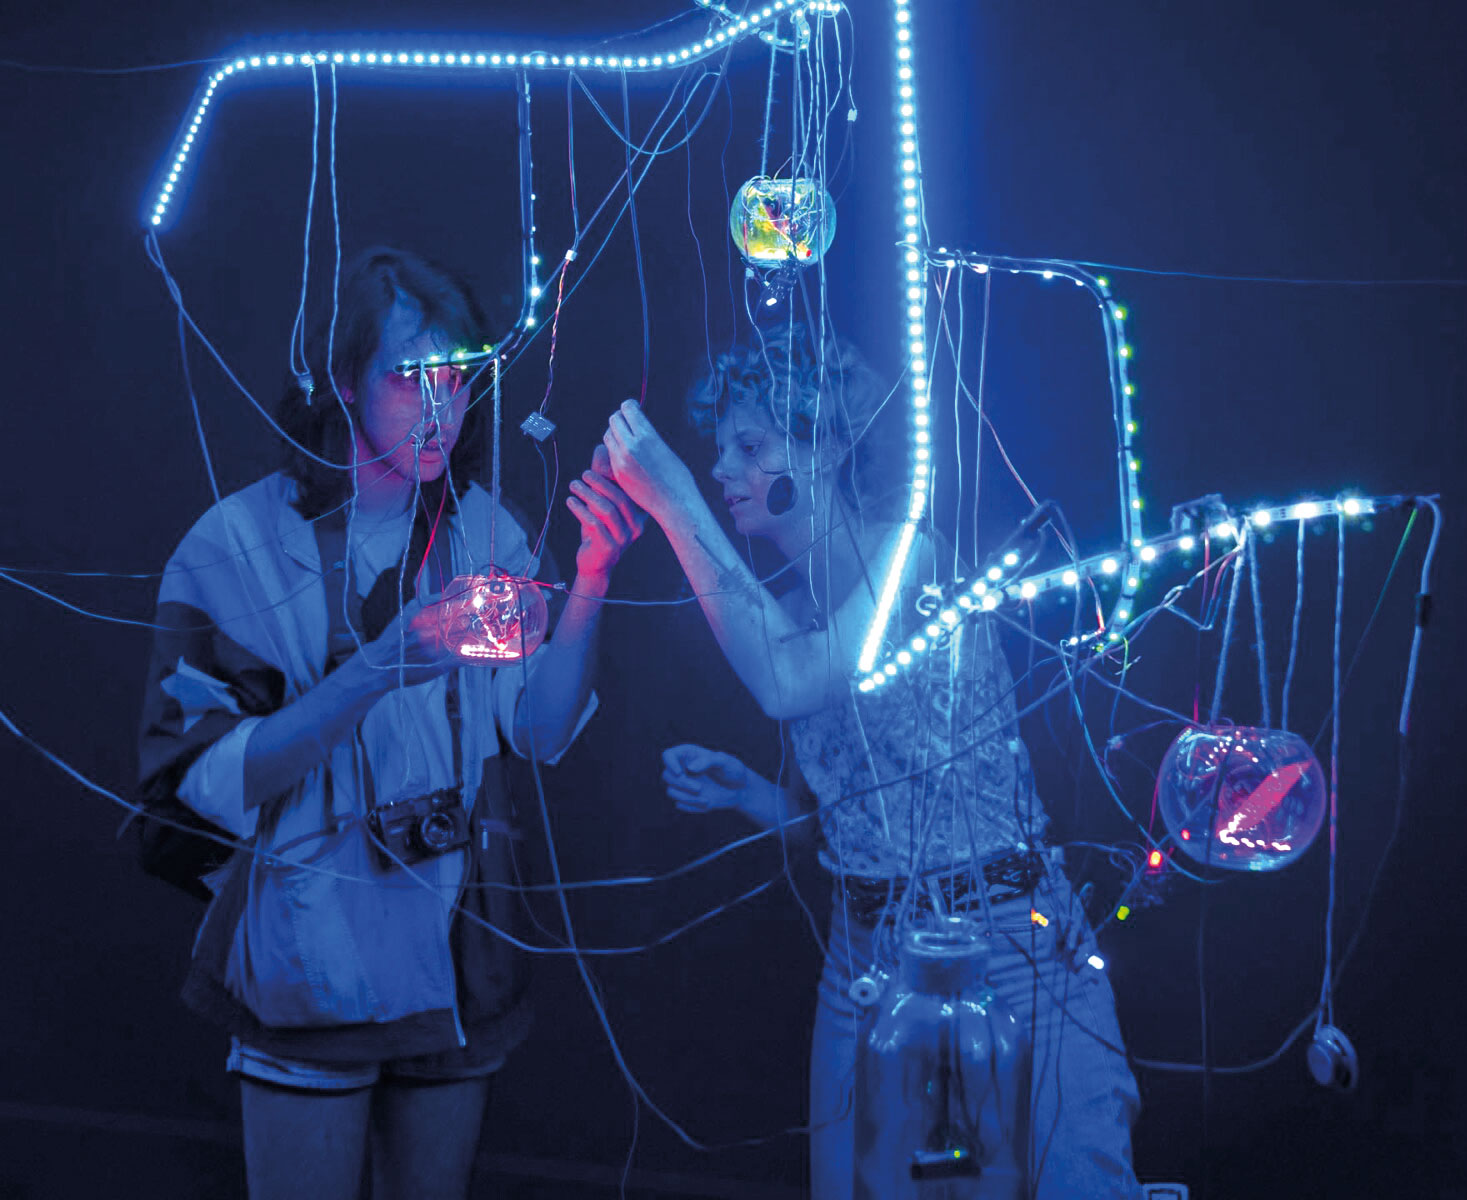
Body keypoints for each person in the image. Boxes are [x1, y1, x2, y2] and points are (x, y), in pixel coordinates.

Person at [135, 247, 645, 1200]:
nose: (442, 405)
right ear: (343, 380)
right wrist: (375, 671)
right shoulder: (236, 544)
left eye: (458, 377)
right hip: (312, 947)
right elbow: (204, 779)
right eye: (411, 376)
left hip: (455, 947)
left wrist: (591, 581)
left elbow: (539, 731)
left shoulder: (484, 530)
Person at [600, 327, 1142, 1198]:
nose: (722, 469)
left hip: (1012, 936)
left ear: (830, 445)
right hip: (865, 955)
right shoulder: (782, 604)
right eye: (718, 451)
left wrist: (672, 502)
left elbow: (792, 682)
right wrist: (751, 794)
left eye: (751, 447)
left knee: (1074, 1182)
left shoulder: (909, 554)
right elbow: (852, 825)